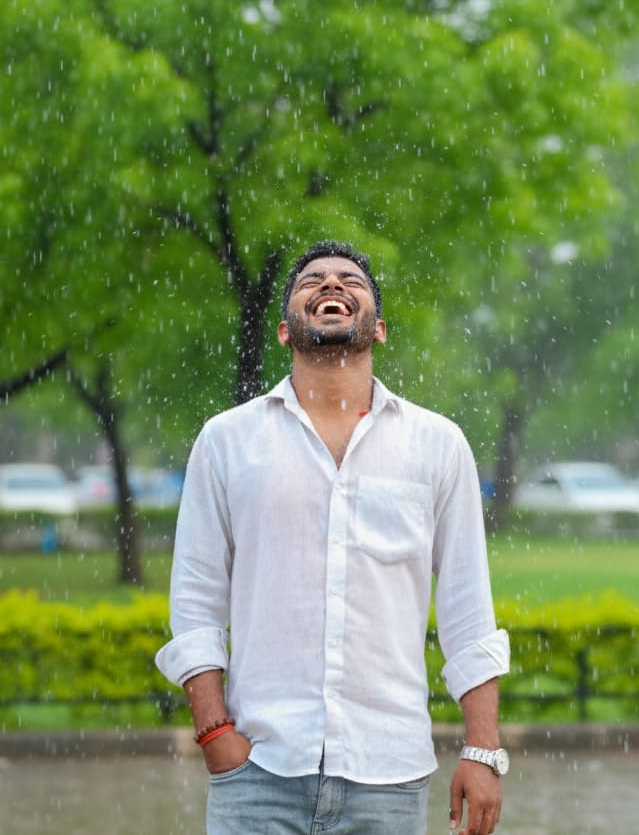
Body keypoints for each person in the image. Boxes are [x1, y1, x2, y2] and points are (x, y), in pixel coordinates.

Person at [155, 240, 510, 835]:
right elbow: (195, 602)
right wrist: (216, 735)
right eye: (311, 281)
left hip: (388, 776)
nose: (331, 286)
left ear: (380, 329)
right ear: (284, 332)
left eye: (351, 280)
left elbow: (467, 611)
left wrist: (481, 750)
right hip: (258, 773)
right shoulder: (226, 442)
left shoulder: (437, 445)